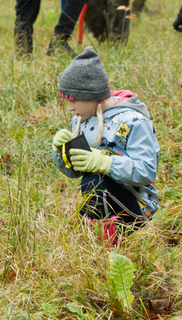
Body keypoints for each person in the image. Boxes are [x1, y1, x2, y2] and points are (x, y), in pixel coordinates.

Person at [51, 46, 159, 245]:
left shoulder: (134, 121)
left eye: (74, 100)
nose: (70, 108)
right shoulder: (81, 119)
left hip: (137, 204)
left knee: (94, 181)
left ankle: (111, 243)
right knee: (91, 181)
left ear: (92, 95)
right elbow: (75, 172)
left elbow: (147, 171)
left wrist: (104, 163)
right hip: (100, 198)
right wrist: (61, 153)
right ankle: (95, 236)